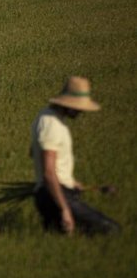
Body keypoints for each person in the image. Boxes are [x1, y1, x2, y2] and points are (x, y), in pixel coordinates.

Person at [30, 76, 120, 235]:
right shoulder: (52, 124)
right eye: (78, 108)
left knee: (59, 241)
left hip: (51, 194)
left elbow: (33, 152)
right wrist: (64, 208)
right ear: (68, 104)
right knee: (111, 230)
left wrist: (70, 181)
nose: (80, 112)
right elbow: (49, 172)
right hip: (55, 196)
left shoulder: (45, 117)